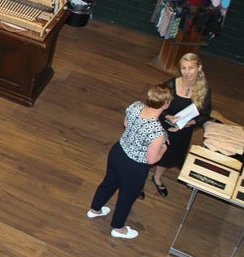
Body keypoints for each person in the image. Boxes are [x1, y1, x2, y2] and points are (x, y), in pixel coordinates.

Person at [88, 84, 172, 239]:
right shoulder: (157, 132)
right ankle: (118, 228)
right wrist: (164, 148)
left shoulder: (135, 106)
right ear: (166, 104)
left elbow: (126, 124)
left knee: (108, 183)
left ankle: (95, 209)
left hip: (118, 152)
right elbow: (152, 159)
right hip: (134, 166)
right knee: (126, 197)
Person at [151, 53, 212, 197]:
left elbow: (205, 114)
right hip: (162, 127)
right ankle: (139, 182)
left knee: (170, 156)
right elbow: (154, 105)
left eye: (191, 68)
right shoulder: (170, 85)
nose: (187, 72)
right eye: (183, 68)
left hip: (182, 131)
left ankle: (157, 178)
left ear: (199, 68)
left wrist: (190, 122)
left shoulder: (204, 91)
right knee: (150, 155)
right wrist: (167, 116)